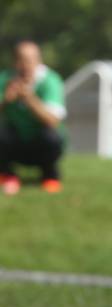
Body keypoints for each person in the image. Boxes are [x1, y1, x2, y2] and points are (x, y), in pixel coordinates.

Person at [0, 40, 66, 195]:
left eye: (30, 60)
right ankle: (7, 174)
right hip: (15, 142)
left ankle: (50, 176)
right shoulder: (5, 79)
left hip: (42, 145)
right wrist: (6, 101)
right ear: (15, 62)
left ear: (38, 61)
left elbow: (53, 121)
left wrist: (30, 100)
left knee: (51, 136)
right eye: (21, 60)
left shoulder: (51, 81)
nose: (25, 65)